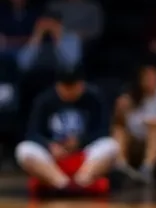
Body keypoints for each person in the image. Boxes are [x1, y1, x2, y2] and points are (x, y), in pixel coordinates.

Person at [15, 64, 119, 194]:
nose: (69, 91)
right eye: (65, 86)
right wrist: (49, 146)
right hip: (54, 158)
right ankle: (63, 184)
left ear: (82, 84)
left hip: (85, 156)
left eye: (73, 86)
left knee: (111, 145)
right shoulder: (45, 100)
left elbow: (103, 131)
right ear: (57, 85)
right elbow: (32, 133)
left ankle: (81, 181)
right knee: (24, 149)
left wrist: (80, 142)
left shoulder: (94, 98)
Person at [113, 63, 156, 182]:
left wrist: (147, 122)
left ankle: (147, 168)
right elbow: (122, 123)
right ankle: (121, 167)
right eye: (146, 77)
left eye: (152, 77)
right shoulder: (133, 97)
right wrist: (120, 109)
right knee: (118, 130)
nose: (149, 80)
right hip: (138, 146)